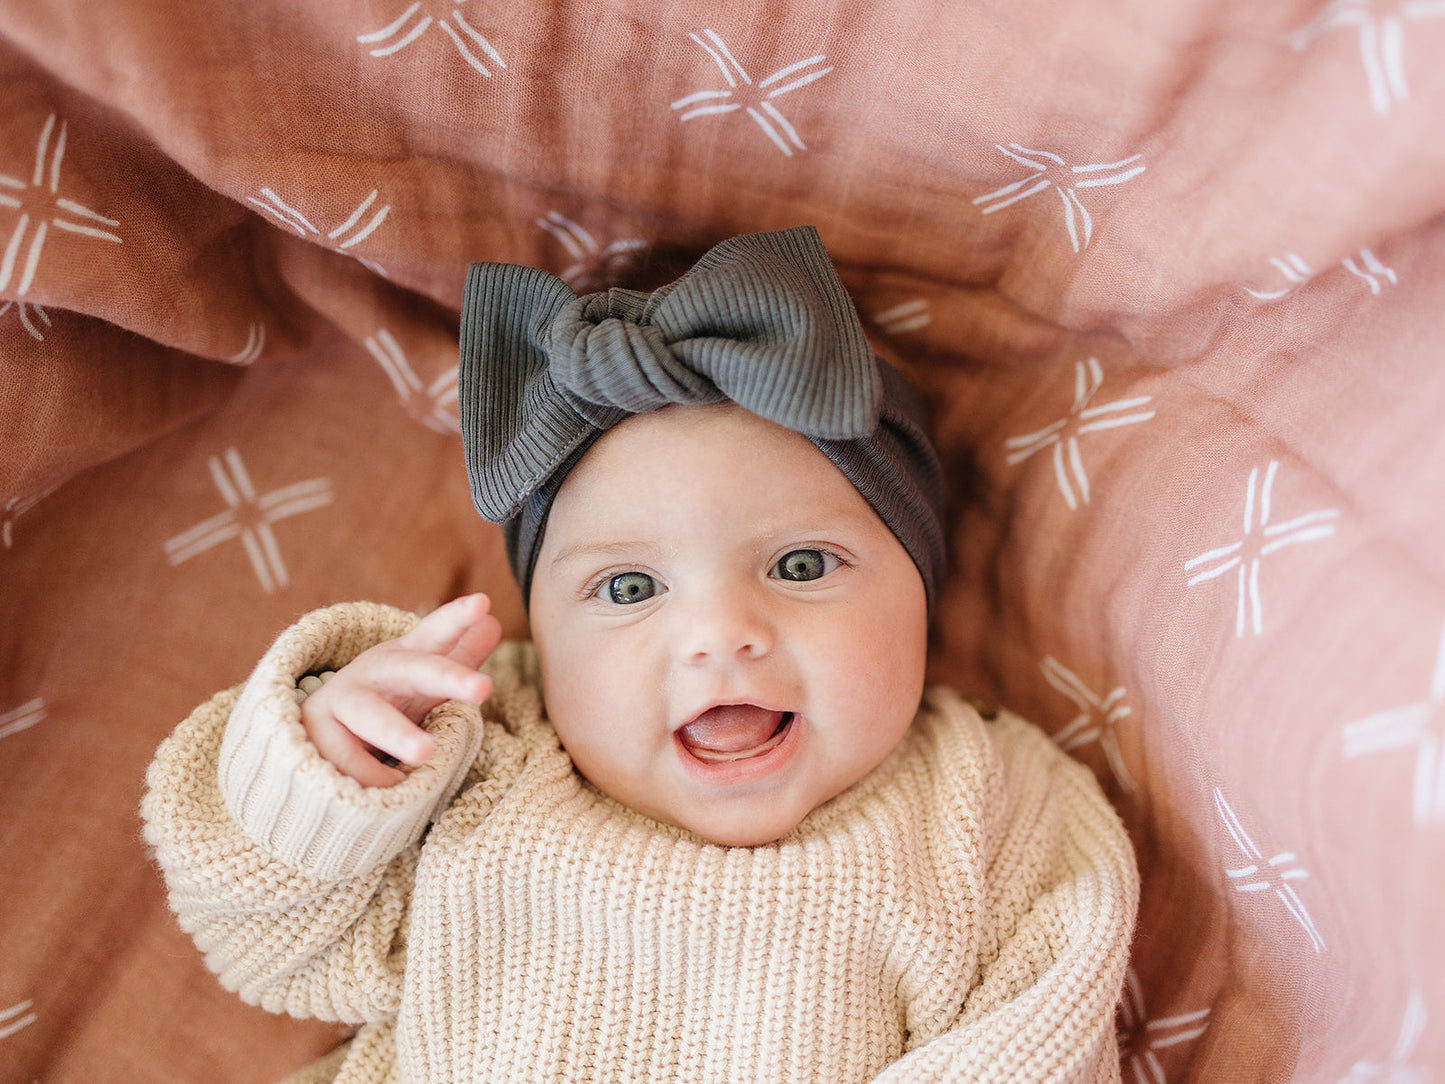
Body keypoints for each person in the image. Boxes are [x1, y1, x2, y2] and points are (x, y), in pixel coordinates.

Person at [142, 226, 1138, 1084]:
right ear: (545, 635)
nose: (716, 634)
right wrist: (326, 778)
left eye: (799, 562)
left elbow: (1037, 1039)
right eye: (627, 588)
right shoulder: (485, 747)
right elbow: (266, 938)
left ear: (922, 589)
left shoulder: (990, 799)